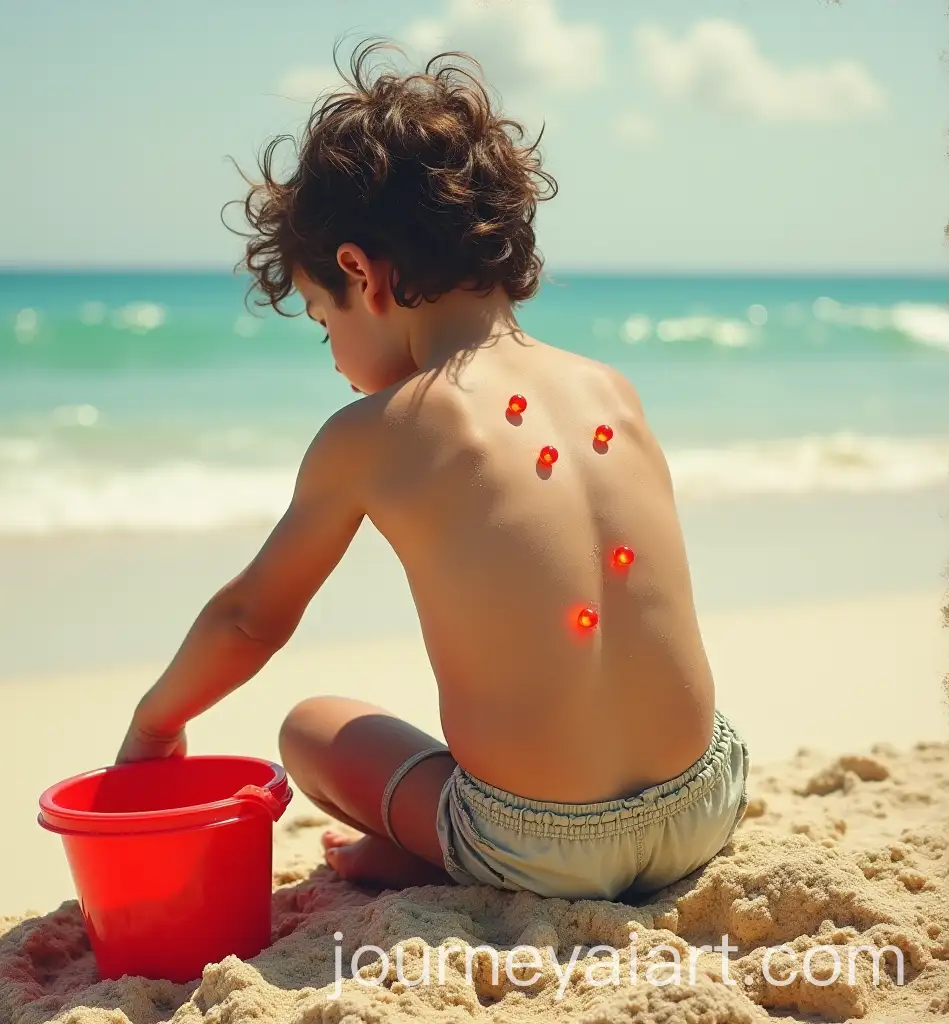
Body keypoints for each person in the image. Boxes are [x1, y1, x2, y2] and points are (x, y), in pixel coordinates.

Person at [115, 41, 749, 900]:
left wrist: (158, 723)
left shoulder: (374, 433)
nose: (334, 356)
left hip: (540, 845)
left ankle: (432, 851)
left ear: (361, 274)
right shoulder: (613, 390)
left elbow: (250, 619)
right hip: (707, 801)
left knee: (311, 730)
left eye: (318, 317)